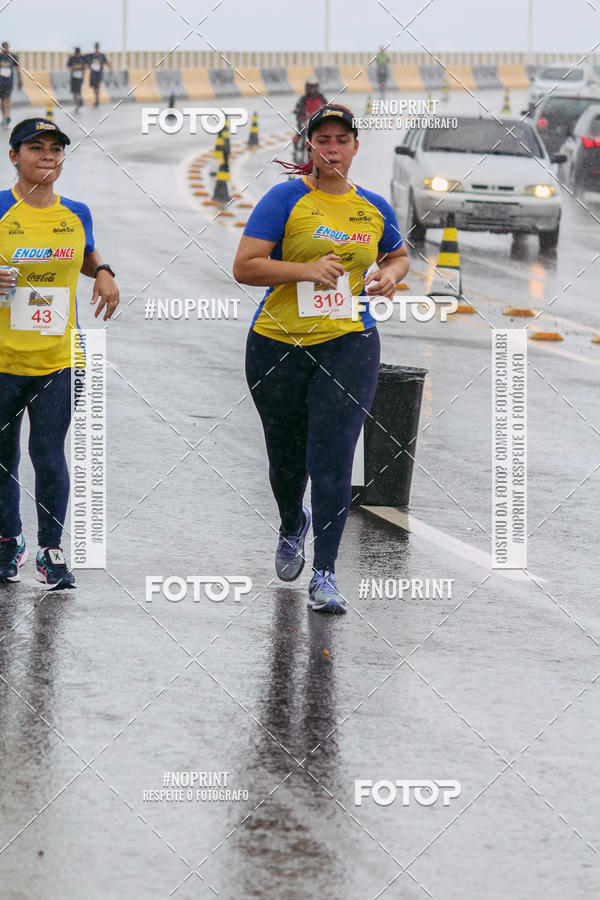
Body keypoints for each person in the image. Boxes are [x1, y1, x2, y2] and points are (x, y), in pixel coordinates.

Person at [233, 104, 409, 614]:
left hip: (350, 342)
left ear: (356, 147)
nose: (332, 148)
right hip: (277, 343)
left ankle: (326, 573)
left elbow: (397, 254)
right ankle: (292, 522)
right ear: (309, 147)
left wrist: (392, 275)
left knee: (331, 458)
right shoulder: (286, 197)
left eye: (341, 140)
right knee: (287, 462)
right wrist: (303, 270)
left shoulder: (373, 206)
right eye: (322, 140)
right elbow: (245, 266)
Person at [0, 118, 119, 589]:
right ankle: (8, 541)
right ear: (14, 156)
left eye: (56, 149)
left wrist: (104, 270)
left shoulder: (77, 213)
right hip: (4, 361)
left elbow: (85, 250)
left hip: (59, 359)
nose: (48, 156)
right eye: (36, 148)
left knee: (49, 454)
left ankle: (51, 550)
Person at [292, 78, 327, 163]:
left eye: (314, 88)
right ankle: (297, 152)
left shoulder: (321, 98)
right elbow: (298, 108)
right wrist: (297, 111)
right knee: (296, 138)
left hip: (318, 125)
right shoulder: (303, 99)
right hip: (304, 124)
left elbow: (327, 107)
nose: (312, 90)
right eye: (310, 88)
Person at [0, 42, 22, 129]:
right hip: (1, 82)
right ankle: (4, 117)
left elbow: (17, 70)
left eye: (6, 47)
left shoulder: (13, 57)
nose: (5, 49)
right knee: (2, 100)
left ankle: (7, 116)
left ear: (8, 47)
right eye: (3, 47)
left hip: (9, 82)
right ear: (2, 48)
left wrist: (20, 81)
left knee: (7, 99)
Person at [86, 42, 111, 107]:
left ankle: (97, 100)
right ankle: (96, 99)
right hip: (93, 73)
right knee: (94, 87)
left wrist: (111, 70)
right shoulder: (91, 55)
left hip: (99, 73)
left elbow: (106, 63)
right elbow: (87, 62)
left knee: (97, 87)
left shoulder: (102, 55)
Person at [67, 47, 87, 112]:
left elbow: (86, 66)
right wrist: (73, 67)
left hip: (80, 77)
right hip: (73, 77)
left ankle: (79, 102)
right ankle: (77, 103)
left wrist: (83, 70)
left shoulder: (82, 58)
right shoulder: (72, 59)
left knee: (78, 90)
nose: (77, 55)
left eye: (78, 53)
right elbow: (69, 67)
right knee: (74, 92)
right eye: (76, 53)